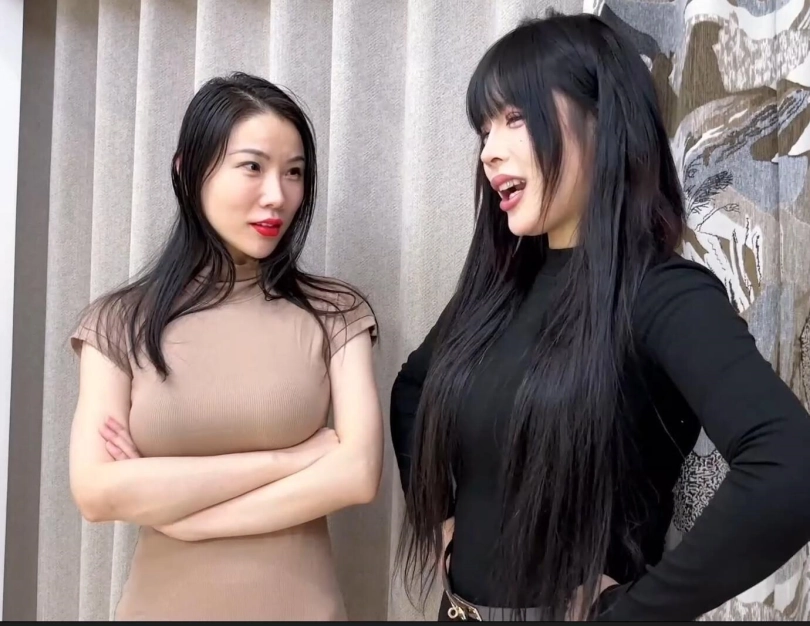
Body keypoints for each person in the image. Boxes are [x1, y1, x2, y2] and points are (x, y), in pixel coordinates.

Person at [391, 14, 810, 622]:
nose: (489, 151)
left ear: (603, 120)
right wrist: (439, 517)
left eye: (515, 118)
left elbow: (789, 466)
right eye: (484, 129)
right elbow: (413, 389)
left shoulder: (663, 295)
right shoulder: (498, 290)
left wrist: (632, 613)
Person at [68, 72, 382, 621]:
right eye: (252, 167)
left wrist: (183, 515)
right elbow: (96, 493)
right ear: (188, 171)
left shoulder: (336, 311)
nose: (277, 195)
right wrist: (292, 459)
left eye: (294, 172)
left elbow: (357, 475)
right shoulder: (119, 322)